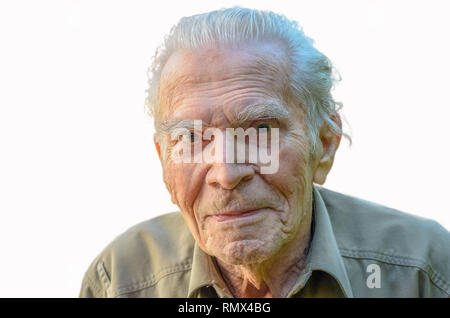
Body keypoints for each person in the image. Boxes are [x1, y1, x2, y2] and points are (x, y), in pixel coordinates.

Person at [79, 7, 449, 298]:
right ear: (163, 159)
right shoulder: (121, 280)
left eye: (261, 131)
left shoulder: (424, 271)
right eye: (191, 139)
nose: (225, 172)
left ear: (324, 143)